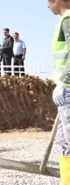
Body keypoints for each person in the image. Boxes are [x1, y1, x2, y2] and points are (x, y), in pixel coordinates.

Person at [48, 0, 70, 184]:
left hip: (69, 89)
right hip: (65, 92)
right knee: (65, 141)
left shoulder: (68, 20)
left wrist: (64, 82)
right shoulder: (64, 20)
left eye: (49, 1)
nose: (47, 6)